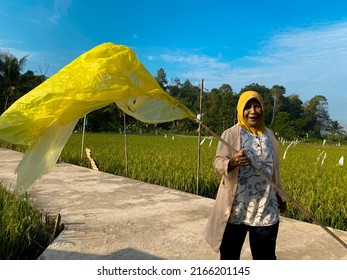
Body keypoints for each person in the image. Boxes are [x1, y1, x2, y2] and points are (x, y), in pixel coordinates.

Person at [204, 90, 286, 260]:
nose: (253, 111)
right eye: (248, 107)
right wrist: (232, 162)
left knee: (265, 258)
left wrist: (280, 196)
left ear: (262, 109)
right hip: (236, 209)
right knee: (230, 257)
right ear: (241, 110)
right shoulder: (232, 133)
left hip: (265, 208)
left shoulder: (269, 135)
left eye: (257, 106)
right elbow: (218, 162)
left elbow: (274, 169)